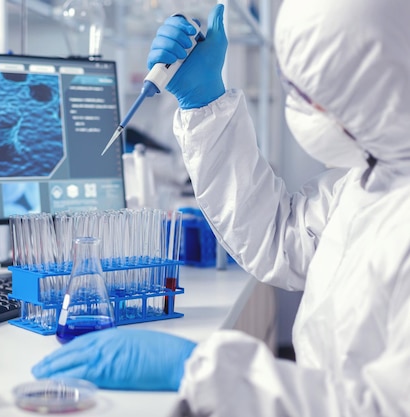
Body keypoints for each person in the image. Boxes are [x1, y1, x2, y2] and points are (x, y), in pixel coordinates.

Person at [32, 0, 410, 415]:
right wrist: (202, 103)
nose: (297, 109)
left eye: (308, 97)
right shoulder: (376, 175)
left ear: (379, 91)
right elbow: (280, 237)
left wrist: (198, 369)